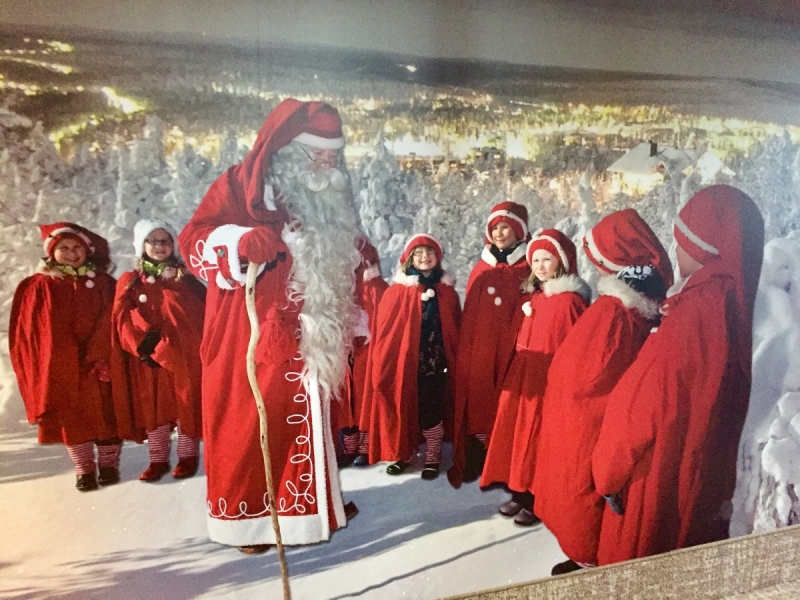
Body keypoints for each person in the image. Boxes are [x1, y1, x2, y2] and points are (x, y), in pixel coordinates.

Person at [179, 99, 363, 554]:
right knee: (248, 423)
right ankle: (250, 522)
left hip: (309, 329)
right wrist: (238, 242)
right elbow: (192, 242)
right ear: (289, 153)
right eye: (317, 156)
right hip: (251, 329)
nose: (327, 165)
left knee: (304, 420)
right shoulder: (241, 184)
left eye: (332, 158)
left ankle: (312, 509)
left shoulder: (328, 197)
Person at [592, 185, 764, 565]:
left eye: (681, 241)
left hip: (651, 484)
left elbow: (640, 409)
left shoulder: (692, 317)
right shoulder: (731, 306)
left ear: (704, 248)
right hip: (691, 486)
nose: (675, 251)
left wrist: (605, 475)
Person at [532, 209, 672, 575]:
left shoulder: (612, 316)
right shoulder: (622, 315)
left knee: (581, 498)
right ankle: (585, 556)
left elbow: (587, 388)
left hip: (589, 436)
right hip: (585, 435)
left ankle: (586, 560)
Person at [481, 229, 590, 526]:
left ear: (562, 262)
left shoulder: (570, 302)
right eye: (536, 260)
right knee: (518, 435)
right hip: (523, 377)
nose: (540, 266)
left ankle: (536, 497)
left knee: (539, 438)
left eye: (547, 259)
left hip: (548, 381)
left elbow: (576, 349)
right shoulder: (535, 297)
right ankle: (519, 490)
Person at [10, 222, 120, 492]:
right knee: (73, 418)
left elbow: (114, 316)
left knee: (108, 414)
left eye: (77, 248)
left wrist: (99, 352)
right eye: (64, 248)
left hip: (100, 360)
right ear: (51, 252)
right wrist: (62, 355)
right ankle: (84, 468)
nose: (72, 253)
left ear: (87, 251)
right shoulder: (41, 285)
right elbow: (34, 330)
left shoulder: (103, 282)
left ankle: (108, 465)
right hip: (63, 363)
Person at [111, 219, 206, 482]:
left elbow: (202, 314)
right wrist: (140, 346)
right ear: (141, 245)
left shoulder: (185, 280)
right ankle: (157, 460)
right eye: (152, 241)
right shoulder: (130, 281)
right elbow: (121, 318)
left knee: (185, 404)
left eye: (165, 241)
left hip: (183, 358)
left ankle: (187, 457)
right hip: (148, 359)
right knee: (153, 408)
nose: (160, 246)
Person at [363, 233, 461, 480]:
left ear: (436, 257)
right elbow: (386, 331)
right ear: (409, 258)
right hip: (404, 362)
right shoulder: (398, 291)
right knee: (402, 405)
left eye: (428, 252)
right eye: (418, 253)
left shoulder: (447, 292)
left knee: (431, 408)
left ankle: (433, 454)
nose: (424, 257)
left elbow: (454, 327)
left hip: (435, 362)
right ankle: (404, 453)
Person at [448, 201, 531, 488]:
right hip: (479, 350)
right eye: (495, 227)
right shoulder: (481, 268)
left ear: (518, 230)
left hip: (508, 349)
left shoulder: (526, 268)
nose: (499, 233)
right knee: (477, 401)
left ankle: (499, 462)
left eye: (505, 227)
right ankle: (476, 457)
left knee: (503, 404)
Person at [335, 237, 389, 468]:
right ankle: (349, 447)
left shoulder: (378, 288)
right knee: (348, 402)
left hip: (368, 354)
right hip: (347, 354)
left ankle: (367, 447)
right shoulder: (343, 290)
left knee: (365, 400)